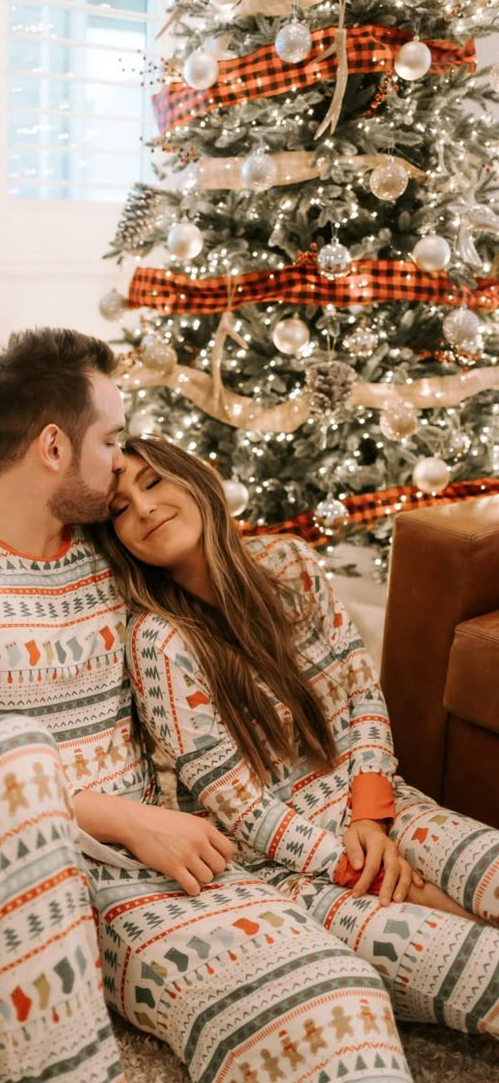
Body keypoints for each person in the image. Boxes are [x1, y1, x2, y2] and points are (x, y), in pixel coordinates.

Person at [0, 329, 415, 1083]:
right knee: (5, 750)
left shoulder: (110, 556)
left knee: (339, 995)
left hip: (139, 858)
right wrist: (130, 818)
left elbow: (234, 608)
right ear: (54, 447)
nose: (121, 461)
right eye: (111, 438)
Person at [94, 434, 499, 1058]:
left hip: (371, 807)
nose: (142, 509)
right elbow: (236, 804)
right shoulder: (159, 639)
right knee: (474, 958)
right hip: (279, 861)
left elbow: (360, 696)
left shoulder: (290, 563)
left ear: (198, 478)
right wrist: (352, 863)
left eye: (153, 483)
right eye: (119, 507)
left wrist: (370, 814)